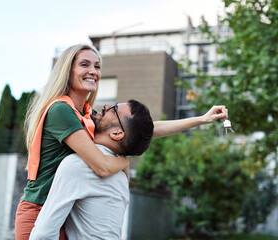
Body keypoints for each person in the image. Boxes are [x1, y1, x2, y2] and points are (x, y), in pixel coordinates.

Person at [15, 43, 228, 240]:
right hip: (39, 211)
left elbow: (147, 128)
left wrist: (201, 119)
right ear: (66, 71)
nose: (93, 71)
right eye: (84, 64)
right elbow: (102, 166)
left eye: (97, 66)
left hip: (62, 211)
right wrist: (125, 162)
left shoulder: (86, 115)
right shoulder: (61, 110)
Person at [29, 99, 154, 240]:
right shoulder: (121, 176)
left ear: (117, 133)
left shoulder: (78, 165)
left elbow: (43, 235)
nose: (106, 106)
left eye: (113, 110)